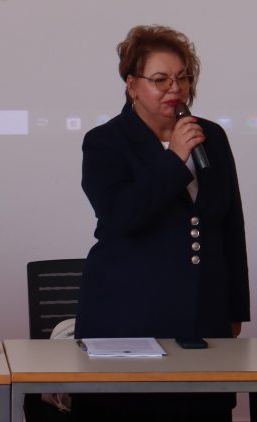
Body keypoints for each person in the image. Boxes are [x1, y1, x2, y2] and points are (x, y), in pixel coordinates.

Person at [73, 25, 249, 421]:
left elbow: (230, 226)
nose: (176, 88)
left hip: (203, 318)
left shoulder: (211, 136)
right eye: (161, 79)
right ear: (132, 85)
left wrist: (235, 308)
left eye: (183, 77)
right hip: (127, 316)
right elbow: (121, 216)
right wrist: (174, 159)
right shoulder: (105, 142)